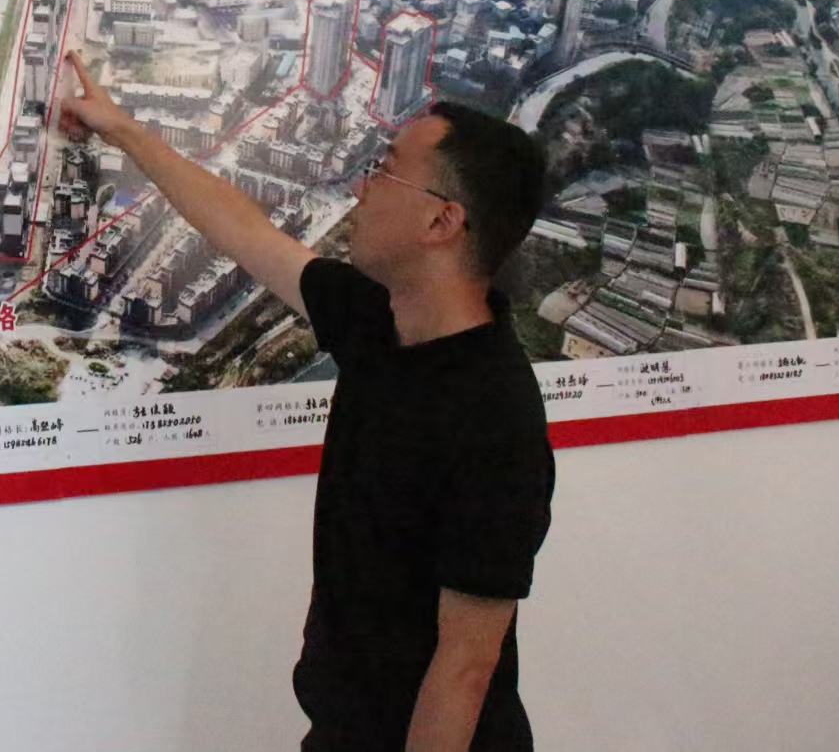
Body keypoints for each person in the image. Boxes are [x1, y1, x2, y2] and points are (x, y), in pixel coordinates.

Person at [57, 51, 554, 751]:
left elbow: (466, 667)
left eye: (383, 171)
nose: (361, 187)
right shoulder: (378, 322)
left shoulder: (494, 419)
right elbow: (245, 233)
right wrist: (121, 129)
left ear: (442, 222)